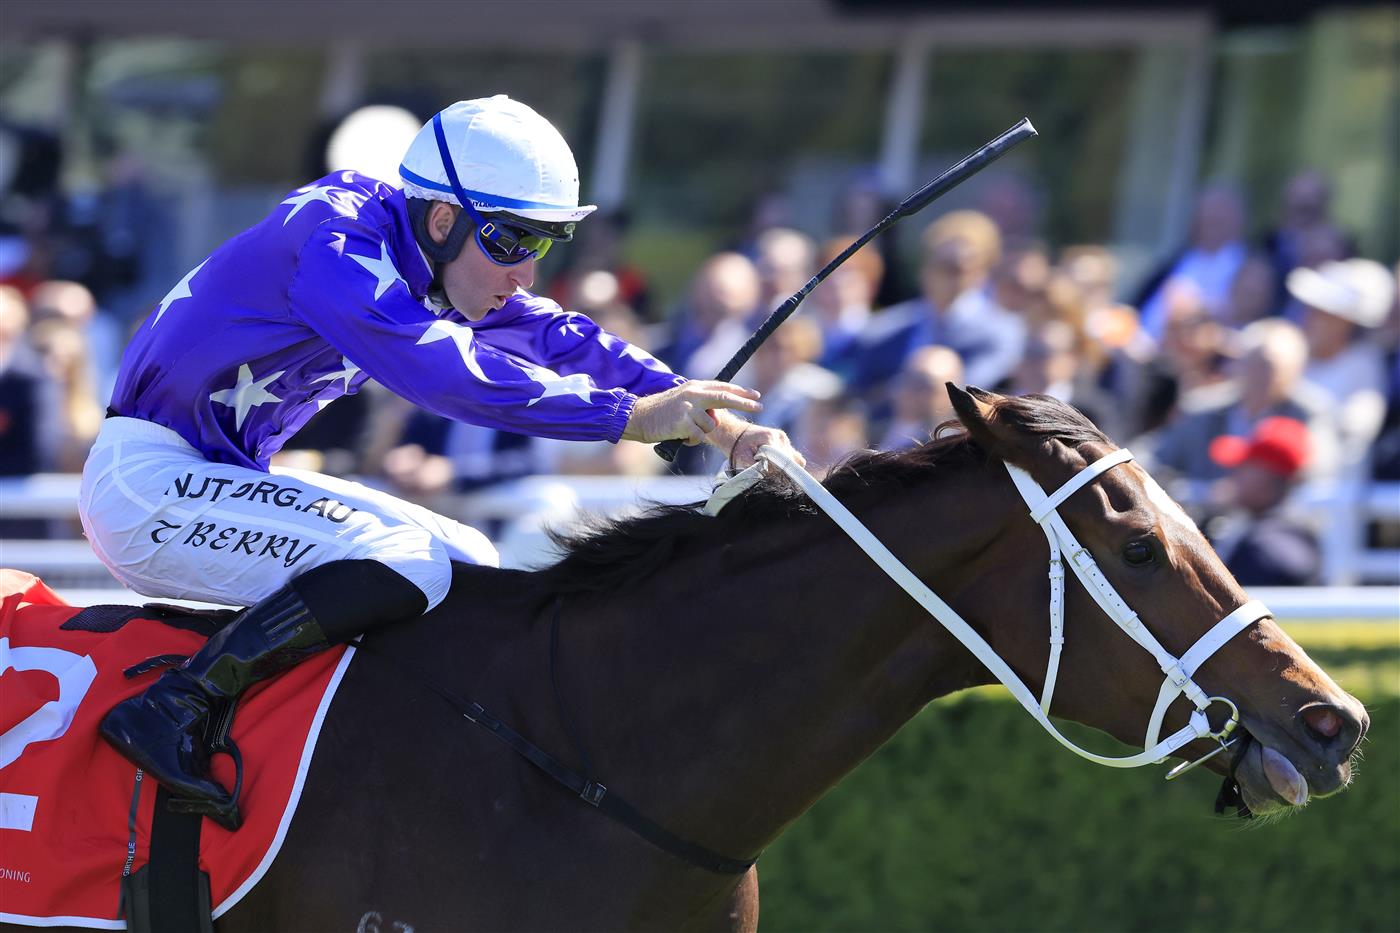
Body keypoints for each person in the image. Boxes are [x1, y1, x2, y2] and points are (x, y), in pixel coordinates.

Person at [86, 95, 800, 830]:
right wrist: (627, 417)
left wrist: (702, 414)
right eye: (513, 243)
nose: (525, 272)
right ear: (441, 219)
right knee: (408, 560)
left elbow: (557, 335)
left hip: (217, 480)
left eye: (542, 246)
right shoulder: (336, 243)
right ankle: (175, 707)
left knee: (467, 557)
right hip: (146, 487)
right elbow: (443, 375)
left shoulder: (428, 254)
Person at [1206, 416, 1320, 586]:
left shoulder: (1269, 544)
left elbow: (1285, 568)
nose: (1234, 474)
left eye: (1245, 466)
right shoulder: (1262, 527)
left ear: (1269, 476)